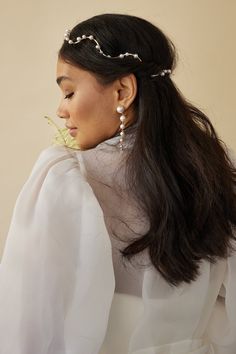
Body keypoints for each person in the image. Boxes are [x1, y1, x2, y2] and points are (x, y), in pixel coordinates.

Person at [0, 13, 236, 354]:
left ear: (123, 91)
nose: (61, 110)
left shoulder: (63, 180)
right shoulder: (214, 170)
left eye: (68, 92)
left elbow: (25, 327)